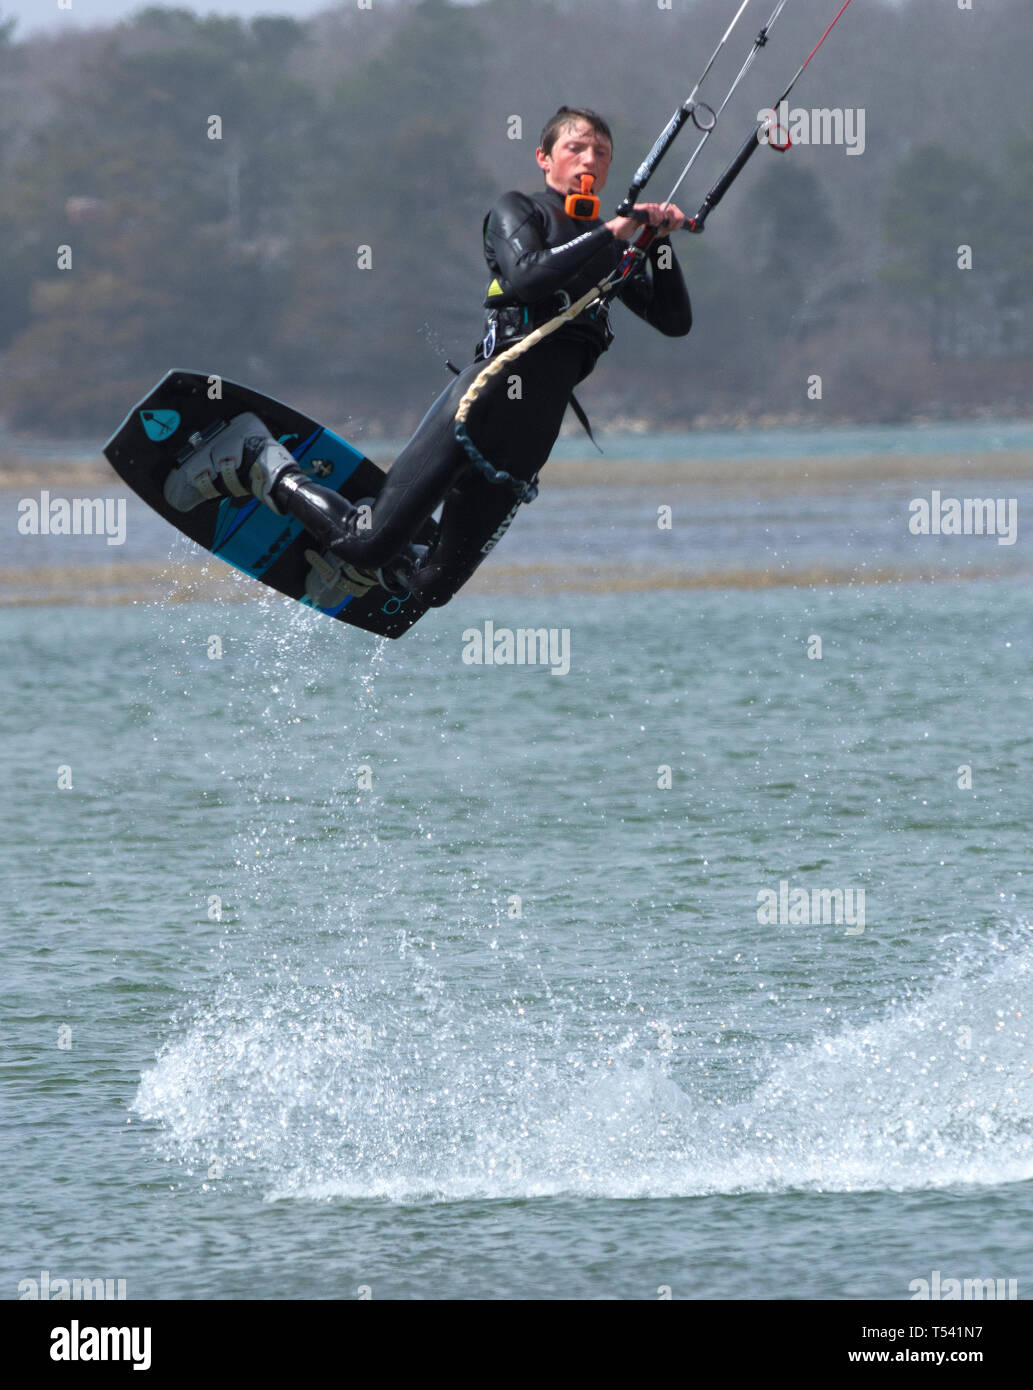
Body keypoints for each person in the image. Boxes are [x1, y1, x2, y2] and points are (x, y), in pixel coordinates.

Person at [164, 107, 693, 609]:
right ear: (544, 157)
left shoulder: (610, 250)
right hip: (479, 409)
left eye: (600, 152)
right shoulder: (519, 210)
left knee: (432, 587)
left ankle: (365, 561)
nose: (589, 160)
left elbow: (674, 321)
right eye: (575, 147)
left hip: (528, 442)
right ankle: (258, 459)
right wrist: (614, 231)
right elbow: (529, 275)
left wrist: (659, 245)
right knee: (368, 542)